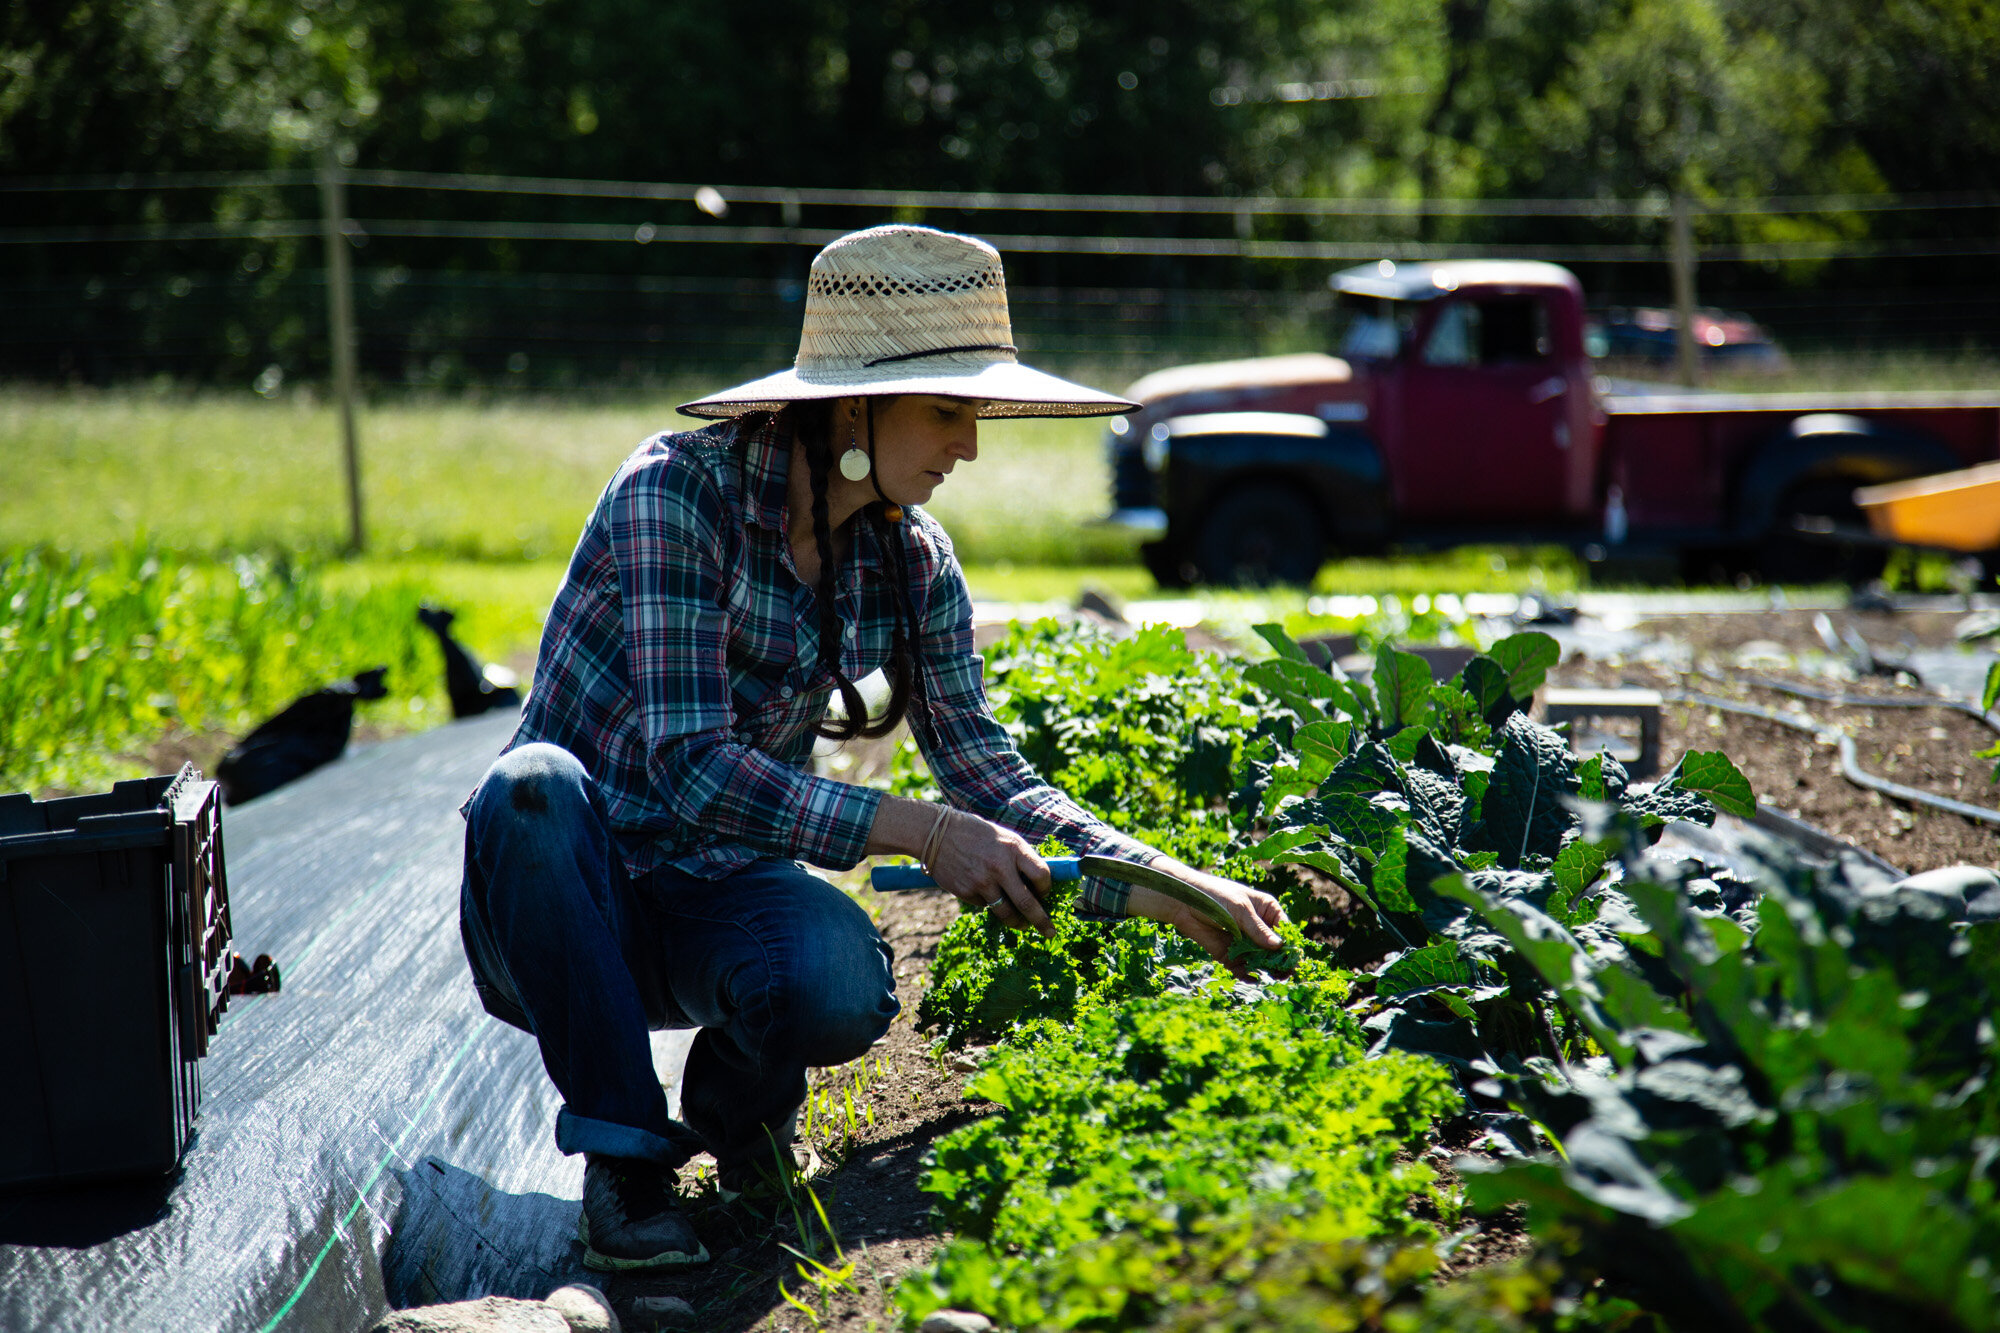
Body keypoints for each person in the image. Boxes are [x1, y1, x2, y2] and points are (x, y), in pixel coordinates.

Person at [457, 224, 1287, 1273]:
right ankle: (627, 1165)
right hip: (570, 901)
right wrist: (923, 832)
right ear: (851, 407)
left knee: (839, 977)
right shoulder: (675, 496)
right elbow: (688, 767)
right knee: (527, 789)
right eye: (947, 410)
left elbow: (986, 770)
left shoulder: (909, 561)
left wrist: (1166, 881)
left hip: (712, 901)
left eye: (974, 412)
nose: (969, 445)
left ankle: (739, 1112)